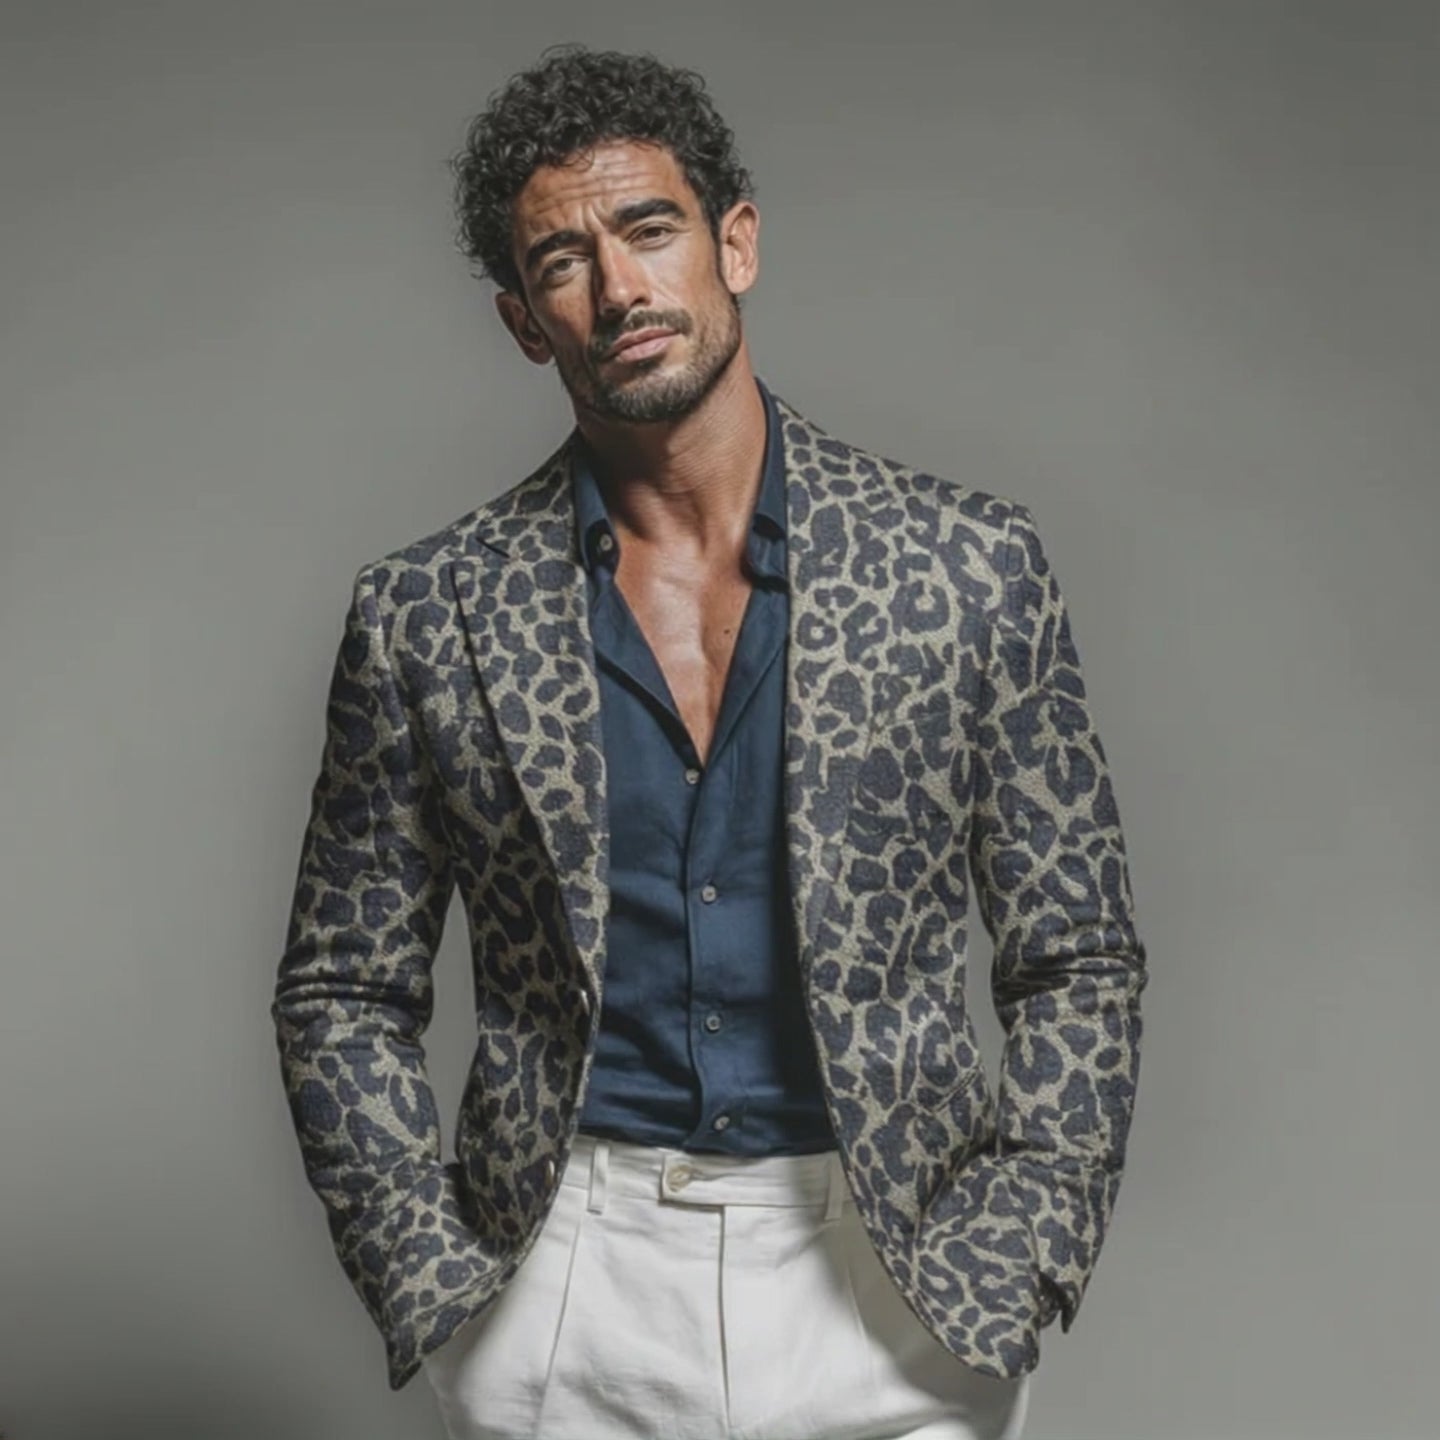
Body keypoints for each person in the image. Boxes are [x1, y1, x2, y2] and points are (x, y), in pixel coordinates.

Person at [271, 42, 1149, 1440]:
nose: (618, 287)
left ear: (734, 243)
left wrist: (1017, 1248)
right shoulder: (429, 613)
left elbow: (1075, 954)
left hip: (897, 1272)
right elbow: (342, 988)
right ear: (524, 321)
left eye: (649, 228)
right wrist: (435, 1283)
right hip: (570, 1280)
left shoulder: (969, 567)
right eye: (562, 261)